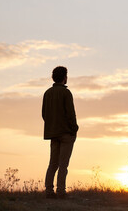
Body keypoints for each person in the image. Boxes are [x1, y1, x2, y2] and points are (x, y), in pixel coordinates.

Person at [42, 66, 79, 199]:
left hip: (53, 133)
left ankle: (49, 191)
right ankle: (61, 191)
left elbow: (44, 114)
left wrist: (52, 126)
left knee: (53, 163)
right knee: (63, 164)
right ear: (65, 77)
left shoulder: (47, 93)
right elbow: (71, 114)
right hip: (66, 133)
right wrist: (74, 128)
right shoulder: (66, 93)